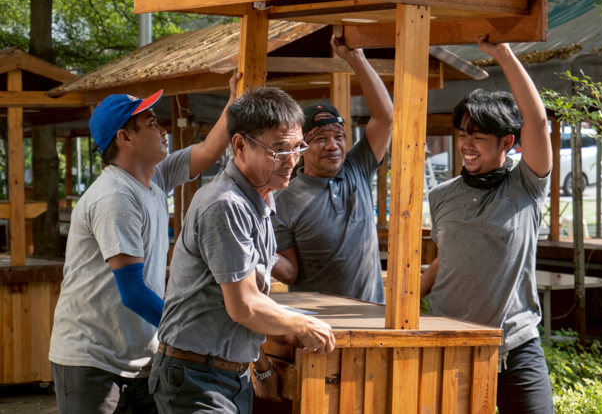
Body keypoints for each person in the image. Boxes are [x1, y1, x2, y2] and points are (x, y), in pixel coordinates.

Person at [49, 74, 241, 414]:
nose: (163, 129)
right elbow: (133, 291)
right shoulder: (115, 197)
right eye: (151, 123)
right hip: (92, 361)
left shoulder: (156, 178)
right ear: (125, 137)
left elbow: (211, 149)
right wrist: (189, 331)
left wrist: (235, 98)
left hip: (141, 357)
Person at [150, 86, 336, 414]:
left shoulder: (262, 197)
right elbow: (245, 306)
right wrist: (303, 325)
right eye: (279, 149)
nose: (292, 160)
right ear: (239, 145)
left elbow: (248, 300)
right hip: (196, 377)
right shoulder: (226, 205)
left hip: (226, 373)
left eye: (297, 147)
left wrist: (260, 365)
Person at [420, 35, 554, 414]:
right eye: (463, 135)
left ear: (507, 142)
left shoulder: (526, 185)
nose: (467, 145)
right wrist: (403, 298)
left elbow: (539, 122)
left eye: (478, 137)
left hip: (513, 344)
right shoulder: (442, 195)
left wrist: (503, 53)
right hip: (446, 340)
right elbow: (447, 259)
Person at [271, 35, 393, 304]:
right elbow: (290, 273)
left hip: (371, 314)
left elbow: (385, 116)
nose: (333, 146)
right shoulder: (283, 199)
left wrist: (356, 57)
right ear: (302, 147)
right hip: (316, 323)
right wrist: (256, 248)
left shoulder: (356, 167)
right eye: (320, 139)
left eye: (339, 137)